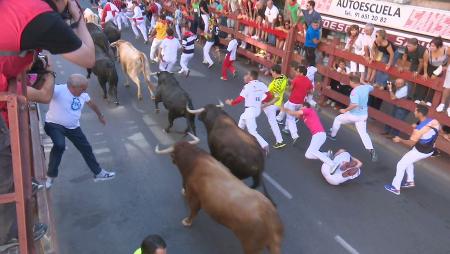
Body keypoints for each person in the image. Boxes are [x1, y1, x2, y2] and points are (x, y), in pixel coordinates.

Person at [0, 0, 95, 249]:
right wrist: (78, 18)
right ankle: (8, 239)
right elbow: (88, 57)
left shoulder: (20, 9)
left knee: (7, 159)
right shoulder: (39, 17)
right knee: (4, 165)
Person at [44, 74, 116, 188]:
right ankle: (50, 177)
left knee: (86, 148)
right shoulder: (57, 90)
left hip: (73, 127)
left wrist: (100, 115)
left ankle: (98, 173)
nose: (85, 91)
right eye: (83, 89)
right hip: (54, 125)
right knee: (59, 145)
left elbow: (92, 104)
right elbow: (41, 94)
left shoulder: (83, 94)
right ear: (72, 87)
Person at [384, 104, 440, 195]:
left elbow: (410, 143)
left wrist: (400, 139)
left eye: (416, 111)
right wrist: (418, 124)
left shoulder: (419, 129)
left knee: (401, 164)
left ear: (420, 113)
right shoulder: (435, 121)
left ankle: (395, 188)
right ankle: (410, 180)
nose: (414, 112)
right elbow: (429, 128)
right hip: (430, 150)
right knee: (408, 160)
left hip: (420, 151)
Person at [328, 74, 378, 162]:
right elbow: (371, 87)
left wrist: (345, 110)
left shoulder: (354, 92)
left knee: (338, 119)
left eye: (350, 81)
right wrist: (362, 81)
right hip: (363, 115)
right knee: (363, 133)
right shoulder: (366, 87)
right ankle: (371, 150)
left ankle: (332, 135)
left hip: (353, 115)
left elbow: (355, 104)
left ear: (352, 82)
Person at [225, 70, 270, 154]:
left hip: (250, 110)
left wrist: (231, 103)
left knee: (252, 131)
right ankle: (236, 138)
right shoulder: (262, 84)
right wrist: (260, 100)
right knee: (242, 120)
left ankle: (264, 145)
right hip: (257, 110)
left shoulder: (248, 86)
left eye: (247, 75)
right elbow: (269, 96)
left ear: (251, 77)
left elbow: (240, 99)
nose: (245, 76)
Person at [281, 102, 337, 168]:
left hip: (319, 134)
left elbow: (294, 113)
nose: (300, 108)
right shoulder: (304, 115)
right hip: (316, 135)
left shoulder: (309, 110)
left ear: (305, 106)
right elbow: (295, 115)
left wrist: (283, 108)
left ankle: (332, 164)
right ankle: (326, 154)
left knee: (313, 151)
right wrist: (287, 110)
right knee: (308, 155)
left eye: (301, 107)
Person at [278, 65, 313, 142]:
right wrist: (304, 91)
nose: (295, 72)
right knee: (285, 106)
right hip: (300, 102)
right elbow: (311, 91)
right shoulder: (308, 81)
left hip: (293, 101)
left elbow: (290, 89)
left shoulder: (296, 79)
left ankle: (293, 134)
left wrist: (286, 86)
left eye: (297, 71)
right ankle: (279, 118)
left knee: (290, 118)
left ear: (301, 73)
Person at [262, 65, 288, 149]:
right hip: (278, 103)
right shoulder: (283, 77)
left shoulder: (276, 84)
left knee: (273, 123)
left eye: (272, 72)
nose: (271, 73)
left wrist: (267, 104)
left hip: (272, 104)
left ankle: (280, 141)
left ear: (274, 71)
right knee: (273, 122)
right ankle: (279, 141)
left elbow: (275, 97)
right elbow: (286, 87)